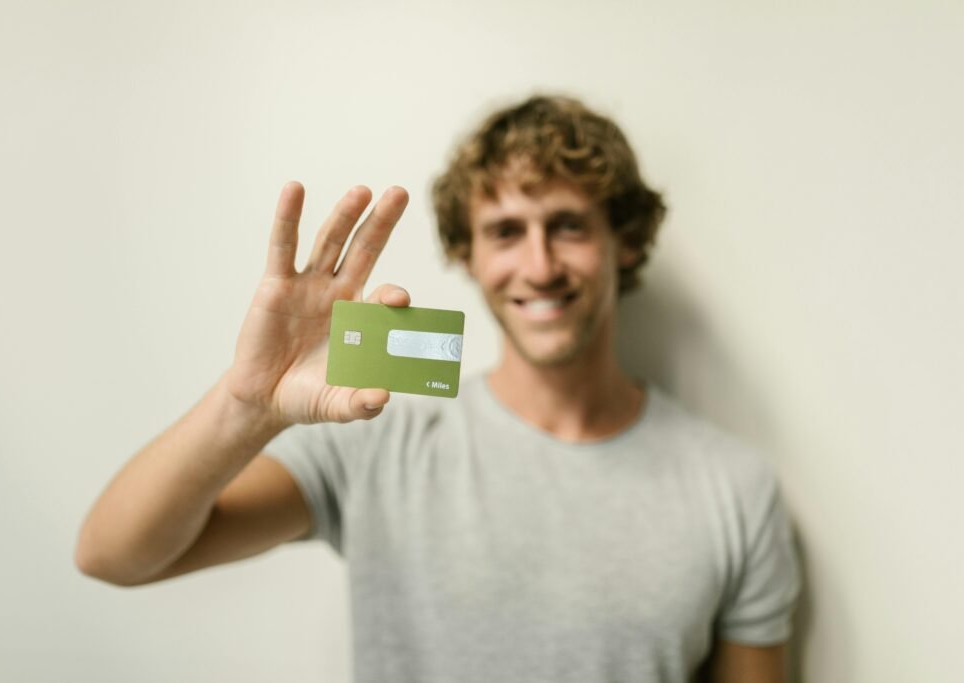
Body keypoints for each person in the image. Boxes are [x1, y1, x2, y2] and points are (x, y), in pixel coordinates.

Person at [76, 95, 800, 682]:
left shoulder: (732, 488)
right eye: (507, 231)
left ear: (627, 242)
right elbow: (115, 553)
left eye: (569, 225)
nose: (540, 264)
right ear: (467, 254)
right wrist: (246, 405)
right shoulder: (381, 439)